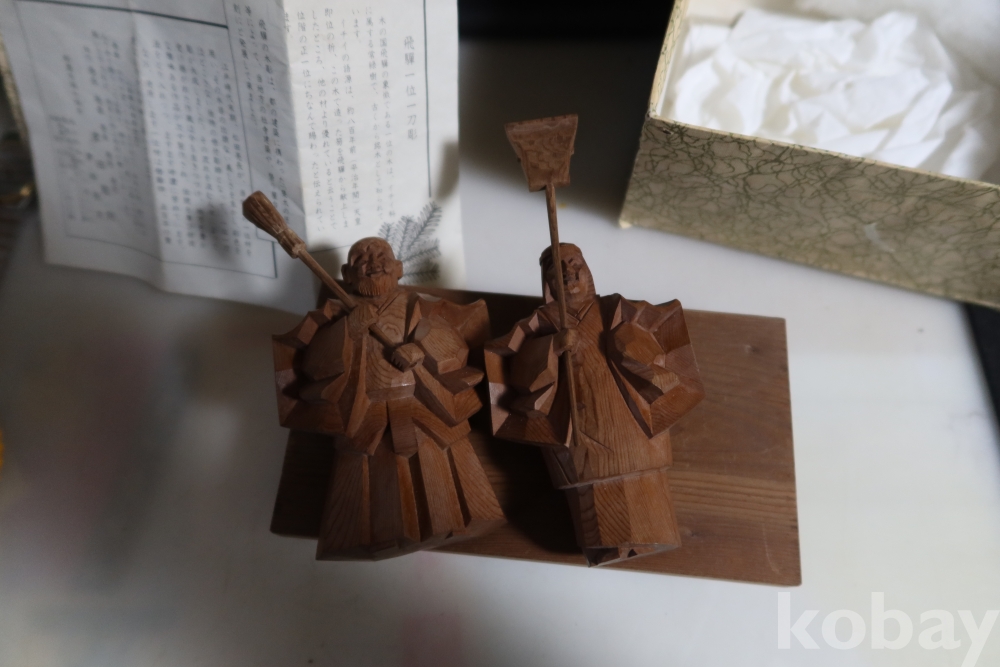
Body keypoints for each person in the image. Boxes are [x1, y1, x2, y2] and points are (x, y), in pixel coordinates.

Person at [273, 237, 503, 560]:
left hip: (423, 405)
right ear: (347, 275)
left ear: (399, 268)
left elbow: (453, 342)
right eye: (360, 260)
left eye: (382, 256)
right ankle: (378, 537)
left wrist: (420, 350)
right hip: (368, 414)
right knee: (374, 480)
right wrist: (348, 330)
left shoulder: (420, 305)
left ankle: (454, 523)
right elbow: (314, 364)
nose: (372, 263)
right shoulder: (338, 313)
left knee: (439, 470)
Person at [485, 243, 705, 566]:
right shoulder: (542, 322)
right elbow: (514, 366)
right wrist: (551, 346)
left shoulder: (613, 308)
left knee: (644, 479)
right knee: (590, 489)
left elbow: (652, 341)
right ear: (548, 283)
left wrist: (630, 343)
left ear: (588, 270)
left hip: (627, 417)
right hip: (579, 424)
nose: (569, 273)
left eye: (574, 264)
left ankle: (651, 536)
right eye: (557, 269)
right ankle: (604, 546)